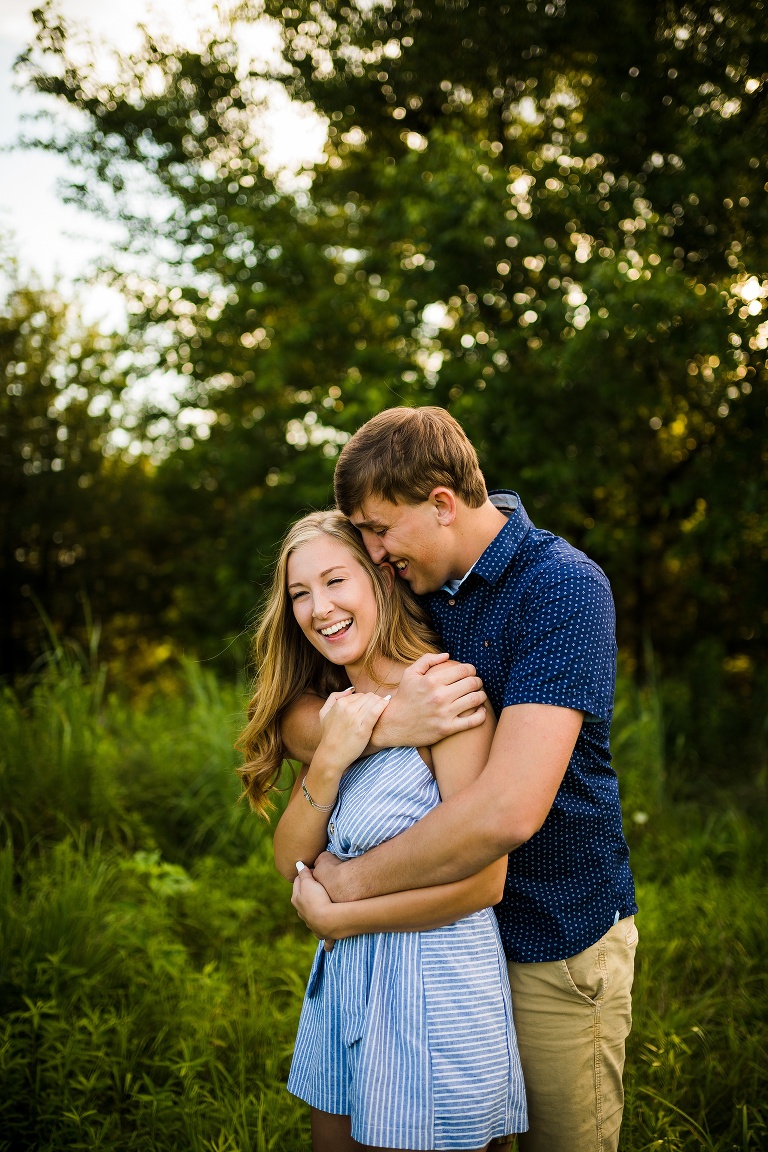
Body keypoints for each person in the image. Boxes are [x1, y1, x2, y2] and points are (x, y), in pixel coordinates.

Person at [283, 407, 638, 1152]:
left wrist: (345, 888)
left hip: (549, 938)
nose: (374, 553)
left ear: (442, 503)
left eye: (380, 529)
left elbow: (506, 812)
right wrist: (385, 725)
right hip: (436, 947)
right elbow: (298, 710)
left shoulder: (561, 589)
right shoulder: (417, 584)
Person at [237, 510, 528, 1152]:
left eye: (336, 581)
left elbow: (485, 883)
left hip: (437, 988)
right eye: (300, 594)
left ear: (381, 581)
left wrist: (345, 918)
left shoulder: (447, 695)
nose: (319, 608)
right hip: (346, 986)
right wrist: (337, 751)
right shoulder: (329, 710)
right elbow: (291, 862)